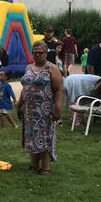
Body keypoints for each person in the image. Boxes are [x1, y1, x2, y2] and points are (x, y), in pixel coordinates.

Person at [19, 40, 64, 173]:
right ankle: (33, 164)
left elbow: (58, 89)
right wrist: (19, 104)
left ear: (46, 53)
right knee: (31, 136)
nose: (37, 55)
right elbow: (25, 87)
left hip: (45, 111)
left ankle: (45, 167)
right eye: (35, 52)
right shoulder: (28, 68)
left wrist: (58, 108)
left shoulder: (51, 68)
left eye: (40, 52)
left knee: (44, 137)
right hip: (29, 110)